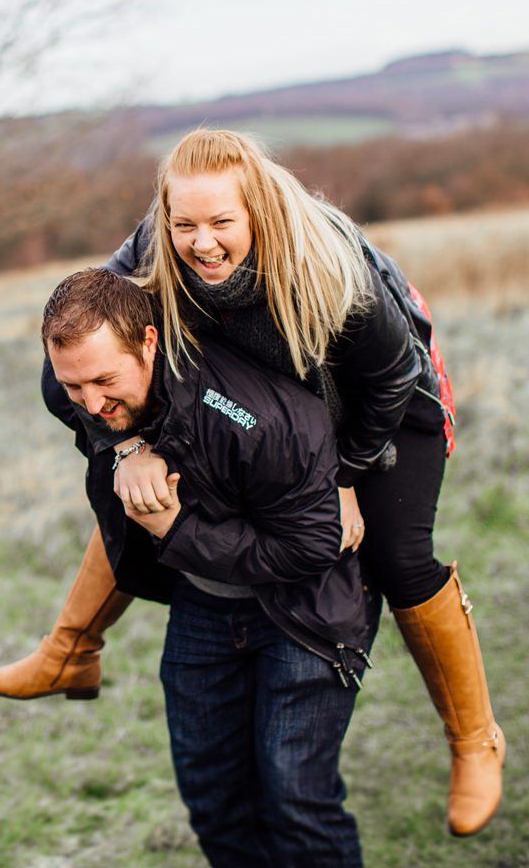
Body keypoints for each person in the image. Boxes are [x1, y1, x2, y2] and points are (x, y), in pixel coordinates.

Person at [0, 130, 505, 837]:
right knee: (134, 486)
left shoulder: (324, 264)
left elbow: (387, 376)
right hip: (268, 407)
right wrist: (127, 444)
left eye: (222, 222)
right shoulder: (155, 243)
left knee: (396, 556)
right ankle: (72, 648)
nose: (201, 242)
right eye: (184, 223)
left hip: (383, 405)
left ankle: (474, 740)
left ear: (255, 209)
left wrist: (346, 475)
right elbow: (84, 327)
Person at [39, 267, 375, 867]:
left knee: (295, 798)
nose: (91, 403)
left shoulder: (263, 422)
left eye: (103, 382)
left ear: (149, 341)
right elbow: (81, 397)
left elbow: (307, 549)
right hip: (204, 606)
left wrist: (174, 531)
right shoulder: (75, 375)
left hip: (302, 611)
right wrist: (128, 445)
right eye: (74, 388)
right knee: (212, 798)